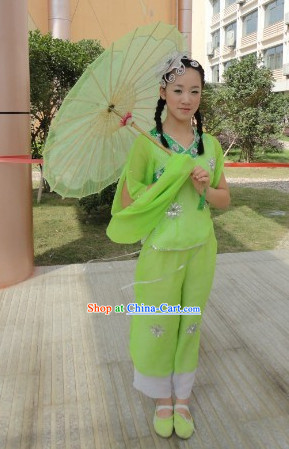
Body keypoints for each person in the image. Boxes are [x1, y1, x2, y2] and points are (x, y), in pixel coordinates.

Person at [106, 52, 230, 439]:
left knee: (190, 324)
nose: (186, 98)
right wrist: (169, 180)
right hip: (160, 253)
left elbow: (224, 199)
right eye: (178, 89)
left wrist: (202, 187)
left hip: (200, 251)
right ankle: (161, 396)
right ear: (163, 92)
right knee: (157, 322)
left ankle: (183, 396)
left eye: (194, 90)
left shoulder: (209, 146)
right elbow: (128, 202)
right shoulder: (146, 145)